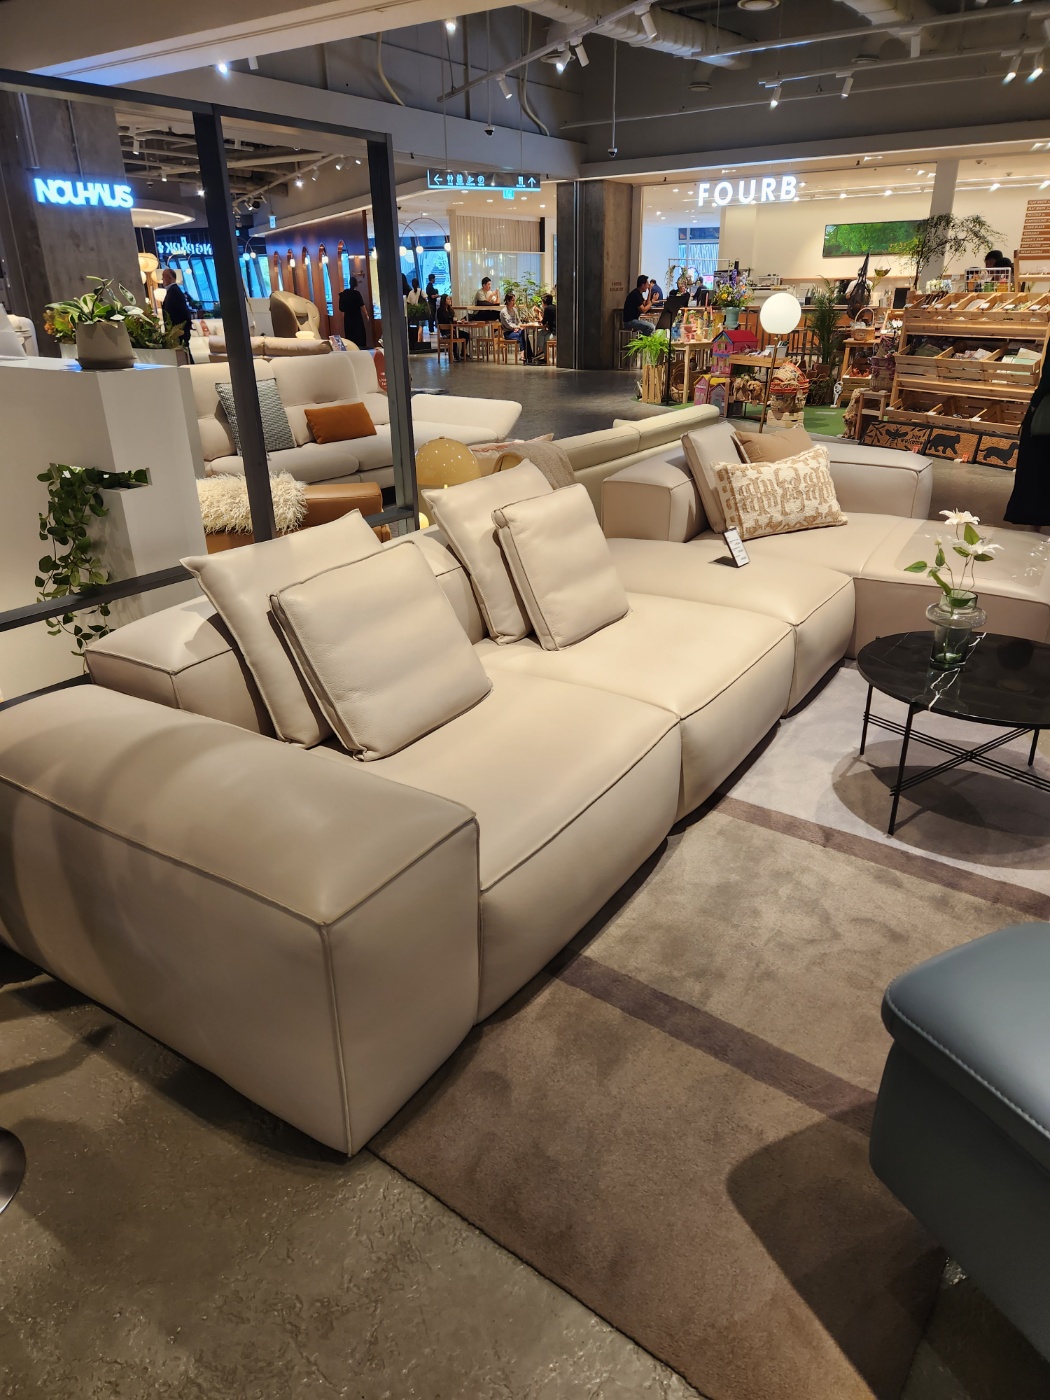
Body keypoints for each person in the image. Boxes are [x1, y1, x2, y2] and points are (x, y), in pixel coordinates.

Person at [159, 268, 192, 347]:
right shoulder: (172, 291)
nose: (162, 279)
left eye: (163, 276)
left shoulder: (174, 292)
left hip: (178, 332)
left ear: (170, 277)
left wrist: (181, 329)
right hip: (177, 331)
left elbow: (182, 312)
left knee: (182, 352)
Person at [338, 275, 369, 349]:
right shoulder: (356, 293)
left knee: (349, 334)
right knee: (359, 334)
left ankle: (351, 348)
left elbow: (341, 308)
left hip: (347, 317)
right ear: (356, 284)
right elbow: (362, 306)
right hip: (356, 317)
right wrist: (366, 315)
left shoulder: (345, 293)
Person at [436, 293, 467, 361]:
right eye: (448, 299)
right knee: (453, 335)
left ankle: (463, 353)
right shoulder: (440, 311)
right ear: (444, 300)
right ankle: (455, 355)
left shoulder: (451, 310)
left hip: (453, 329)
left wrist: (459, 321)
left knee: (466, 335)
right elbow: (443, 321)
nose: (450, 300)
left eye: (450, 299)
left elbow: (454, 319)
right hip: (446, 331)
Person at [532, 293, 556, 364]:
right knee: (542, 333)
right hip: (557, 332)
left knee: (543, 335)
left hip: (555, 334)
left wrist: (539, 312)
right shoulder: (554, 307)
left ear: (544, 302)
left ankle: (540, 351)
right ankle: (544, 356)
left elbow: (543, 323)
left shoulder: (547, 309)